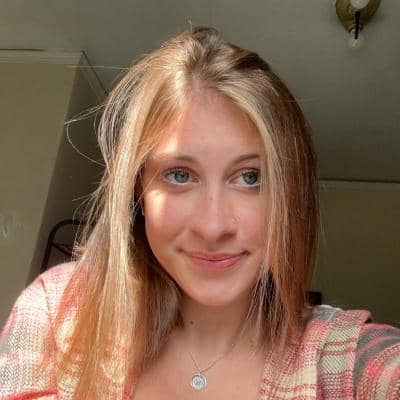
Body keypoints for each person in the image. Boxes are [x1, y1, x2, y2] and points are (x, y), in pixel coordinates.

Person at [0, 26, 399, 400]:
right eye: (179, 175)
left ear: (291, 194)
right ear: (138, 186)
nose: (212, 227)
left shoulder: (343, 359)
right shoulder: (57, 313)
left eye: (250, 178)